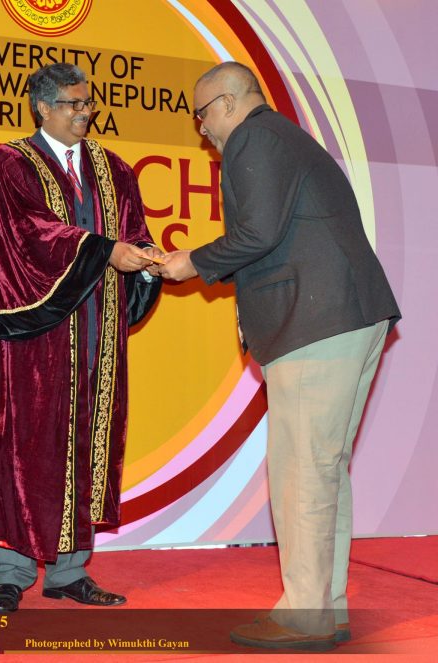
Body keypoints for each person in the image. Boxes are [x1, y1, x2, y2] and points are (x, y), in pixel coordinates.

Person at [157, 62, 401, 651]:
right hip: (343, 314)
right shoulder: (283, 138)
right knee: (322, 468)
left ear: (228, 102)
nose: (203, 130)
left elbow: (258, 233)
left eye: (202, 115)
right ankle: (324, 608)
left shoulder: (254, 137)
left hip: (315, 319)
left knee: (302, 472)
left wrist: (192, 261)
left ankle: (305, 616)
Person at [0, 62, 162, 611]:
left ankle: (69, 572)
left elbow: (134, 232)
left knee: (84, 442)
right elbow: (25, 236)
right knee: (21, 447)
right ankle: (10, 573)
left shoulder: (115, 170)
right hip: (31, 339)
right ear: (42, 107)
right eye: (73, 104)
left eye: (88, 103)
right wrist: (104, 250)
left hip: (95, 332)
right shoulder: (7, 165)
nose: (84, 113)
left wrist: (144, 257)